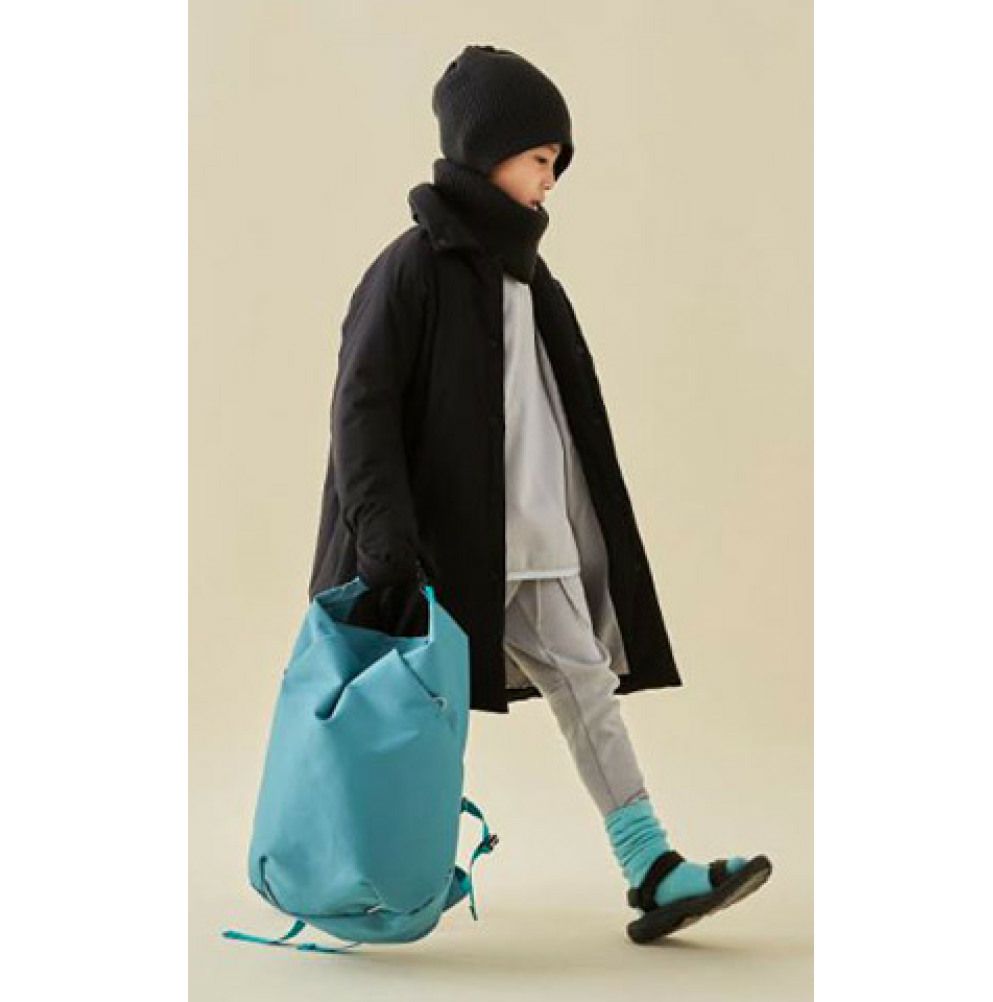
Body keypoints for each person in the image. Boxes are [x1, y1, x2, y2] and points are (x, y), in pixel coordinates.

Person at [308, 44, 772, 942]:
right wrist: (384, 543)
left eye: (557, 162)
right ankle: (357, 870)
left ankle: (650, 865)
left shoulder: (529, 278)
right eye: (540, 158)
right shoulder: (411, 267)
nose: (551, 180)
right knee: (409, 717)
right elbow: (360, 409)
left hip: (536, 540)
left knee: (587, 685)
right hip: (439, 550)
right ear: (485, 149)